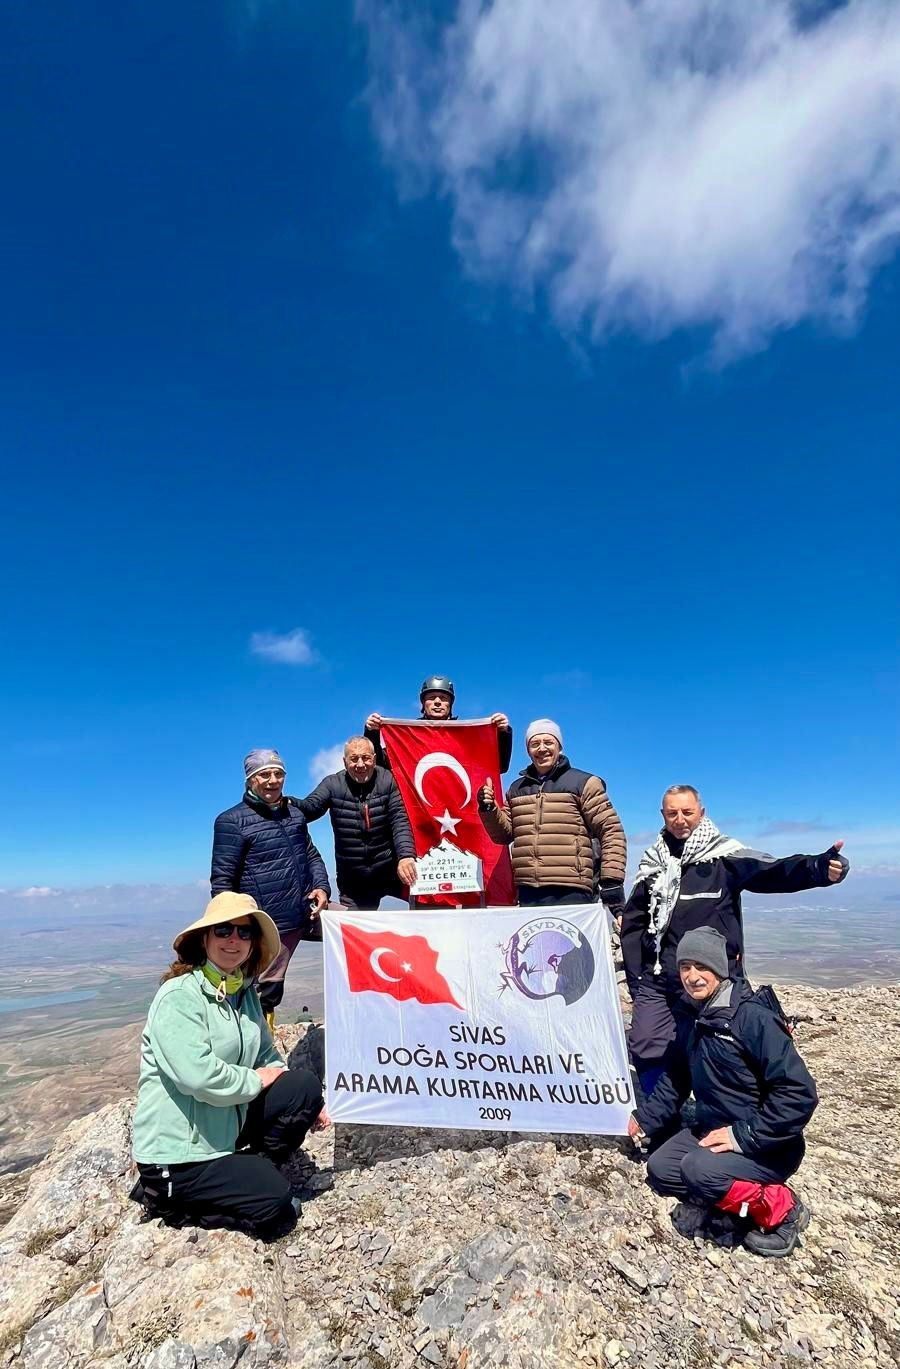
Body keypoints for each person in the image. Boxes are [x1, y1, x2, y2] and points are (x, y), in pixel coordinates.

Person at [620, 785, 849, 1097]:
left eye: (687, 812)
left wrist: (819, 868)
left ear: (701, 813)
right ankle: (657, 1116)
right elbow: (634, 925)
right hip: (660, 978)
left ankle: (733, 1112)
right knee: (646, 1042)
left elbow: (772, 871)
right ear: (663, 815)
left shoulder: (724, 857)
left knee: (726, 1048)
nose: (680, 819)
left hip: (716, 979)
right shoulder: (653, 865)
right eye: (672, 813)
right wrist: (638, 980)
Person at [131, 892, 326, 1241]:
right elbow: (198, 1077)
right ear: (204, 939)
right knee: (278, 1206)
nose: (233, 939)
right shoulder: (179, 996)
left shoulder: (244, 995)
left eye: (244, 932)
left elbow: (266, 1056)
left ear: (252, 944)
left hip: (223, 1129)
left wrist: (302, 1095)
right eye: (223, 930)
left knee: (304, 1088)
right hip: (179, 1155)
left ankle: (252, 1169)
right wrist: (255, 1080)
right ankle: (167, 1200)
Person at [628, 927, 818, 1259]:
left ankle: (783, 1209)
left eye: (702, 966)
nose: (692, 976)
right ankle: (730, 1197)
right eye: (685, 967)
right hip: (714, 1132)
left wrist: (742, 1136)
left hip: (767, 1145)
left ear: (719, 968)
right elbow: (676, 1078)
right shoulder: (691, 1016)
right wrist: (645, 1119)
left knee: (698, 1171)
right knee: (662, 1170)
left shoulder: (752, 1019)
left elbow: (798, 1094)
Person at [211, 749, 330, 1026]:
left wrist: (322, 887)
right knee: (265, 991)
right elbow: (222, 881)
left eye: (278, 774)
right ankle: (260, 1041)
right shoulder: (231, 821)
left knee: (357, 927)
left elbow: (311, 855)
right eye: (264, 774)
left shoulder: (294, 814)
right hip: (270, 924)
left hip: (307, 910)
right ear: (250, 780)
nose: (273, 780)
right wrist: (230, 929)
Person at [477, 719, 627, 911]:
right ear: (528, 750)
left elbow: (611, 831)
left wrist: (612, 880)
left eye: (548, 742)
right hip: (528, 890)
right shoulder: (516, 788)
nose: (542, 749)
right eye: (534, 743)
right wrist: (489, 808)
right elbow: (503, 835)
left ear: (560, 747)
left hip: (573, 889)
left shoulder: (584, 783)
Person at [289, 736, 418, 909]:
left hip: (391, 870)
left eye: (365, 758)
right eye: (354, 759)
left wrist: (406, 856)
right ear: (344, 762)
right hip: (354, 880)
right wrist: (287, 803)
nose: (360, 764)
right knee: (355, 926)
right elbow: (310, 808)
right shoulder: (332, 784)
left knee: (424, 905)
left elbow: (399, 820)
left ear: (374, 759)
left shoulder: (388, 780)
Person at [364, 674, 513, 773]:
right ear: (423, 703)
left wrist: (503, 733)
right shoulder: (408, 737)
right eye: (431, 697)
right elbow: (381, 764)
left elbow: (499, 766)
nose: (437, 702)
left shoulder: (466, 738)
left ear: (450, 704)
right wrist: (372, 732)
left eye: (443, 697)